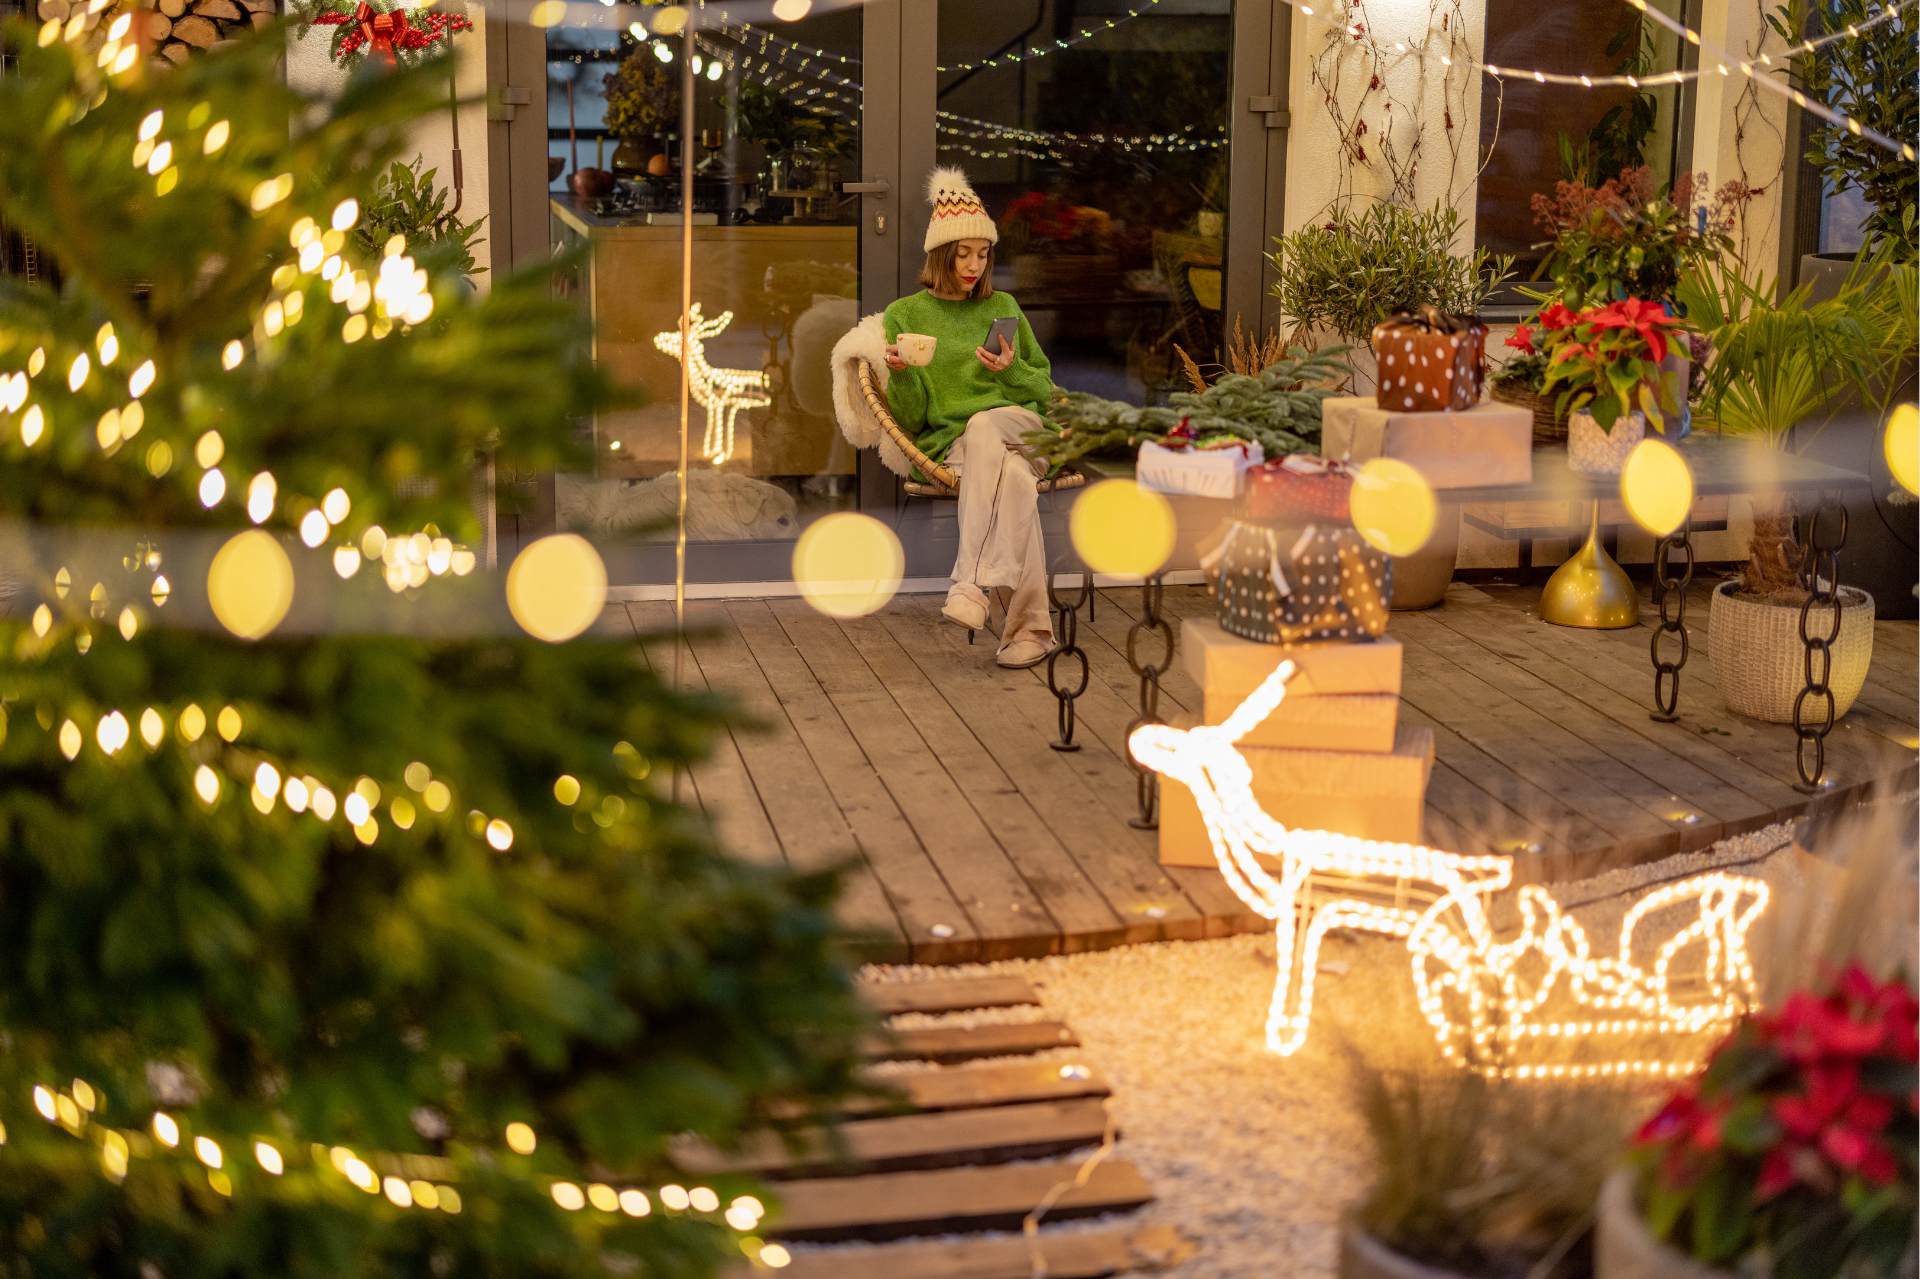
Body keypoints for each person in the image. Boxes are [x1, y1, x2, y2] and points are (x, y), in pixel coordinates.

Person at [881, 167, 1058, 669]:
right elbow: (912, 419)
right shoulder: (905, 316)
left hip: (1025, 429)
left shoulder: (1002, 305)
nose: (975, 266)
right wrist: (900, 374)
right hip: (963, 449)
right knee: (1016, 482)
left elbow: (1046, 393)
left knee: (988, 426)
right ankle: (1031, 632)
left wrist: (1012, 369)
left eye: (984, 255)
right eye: (964, 254)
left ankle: (969, 580)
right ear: (941, 254)